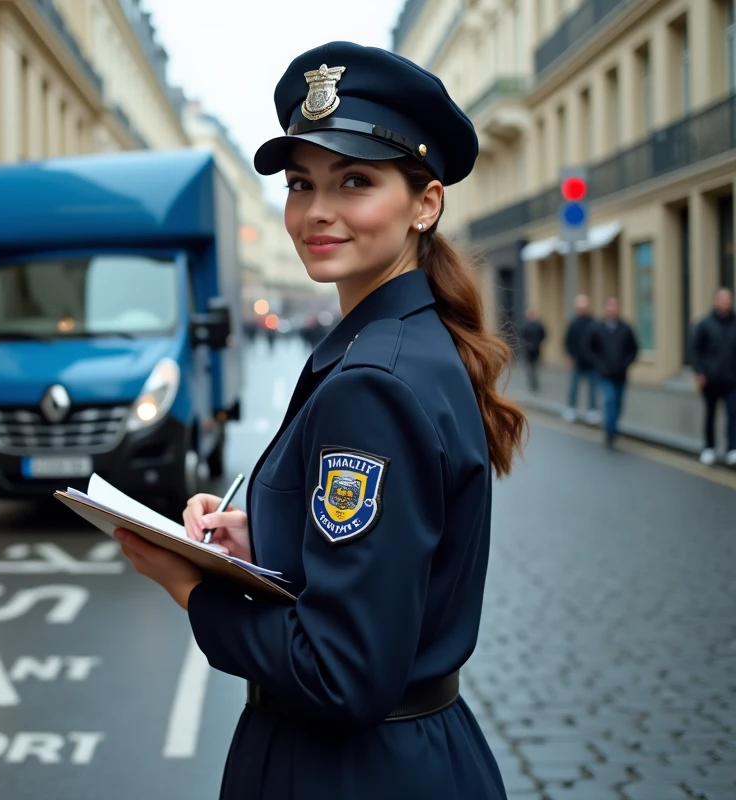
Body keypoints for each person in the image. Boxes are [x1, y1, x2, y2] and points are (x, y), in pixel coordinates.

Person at [112, 41, 526, 799]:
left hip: (348, 772)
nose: (316, 212)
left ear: (424, 204)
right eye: (301, 184)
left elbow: (343, 672)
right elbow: (395, 557)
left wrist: (191, 588)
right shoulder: (409, 343)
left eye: (356, 181)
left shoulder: (372, 382)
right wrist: (264, 542)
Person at [688, 287, 736, 466]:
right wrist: (700, 372)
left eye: (728, 299)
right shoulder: (705, 324)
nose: (725, 302)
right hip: (710, 379)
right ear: (715, 302)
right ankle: (709, 447)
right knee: (710, 414)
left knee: (734, 415)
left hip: (732, 380)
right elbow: (694, 351)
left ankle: (732, 449)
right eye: (722, 299)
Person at [584, 296, 639, 448]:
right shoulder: (597, 328)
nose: (612, 309)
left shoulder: (626, 328)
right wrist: (599, 365)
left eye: (615, 306)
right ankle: (610, 433)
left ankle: (613, 426)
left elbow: (634, 349)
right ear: (605, 308)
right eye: (609, 306)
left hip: (621, 374)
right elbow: (589, 349)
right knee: (610, 399)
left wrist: (626, 363)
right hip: (605, 374)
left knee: (619, 404)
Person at [563, 294, 600, 422]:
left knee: (593, 388)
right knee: (573, 387)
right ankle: (571, 409)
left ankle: (592, 410)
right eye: (580, 306)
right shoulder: (573, 323)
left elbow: (599, 342)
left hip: (592, 363)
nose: (582, 309)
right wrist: (569, 356)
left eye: (584, 306)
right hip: (577, 361)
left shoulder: (594, 323)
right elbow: (567, 341)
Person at [518, 307, 546, 392]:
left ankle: (534, 384)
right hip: (532, 349)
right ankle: (533, 384)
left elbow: (543, 335)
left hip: (534, 350)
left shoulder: (536, 326)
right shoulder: (530, 326)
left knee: (533, 368)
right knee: (531, 368)